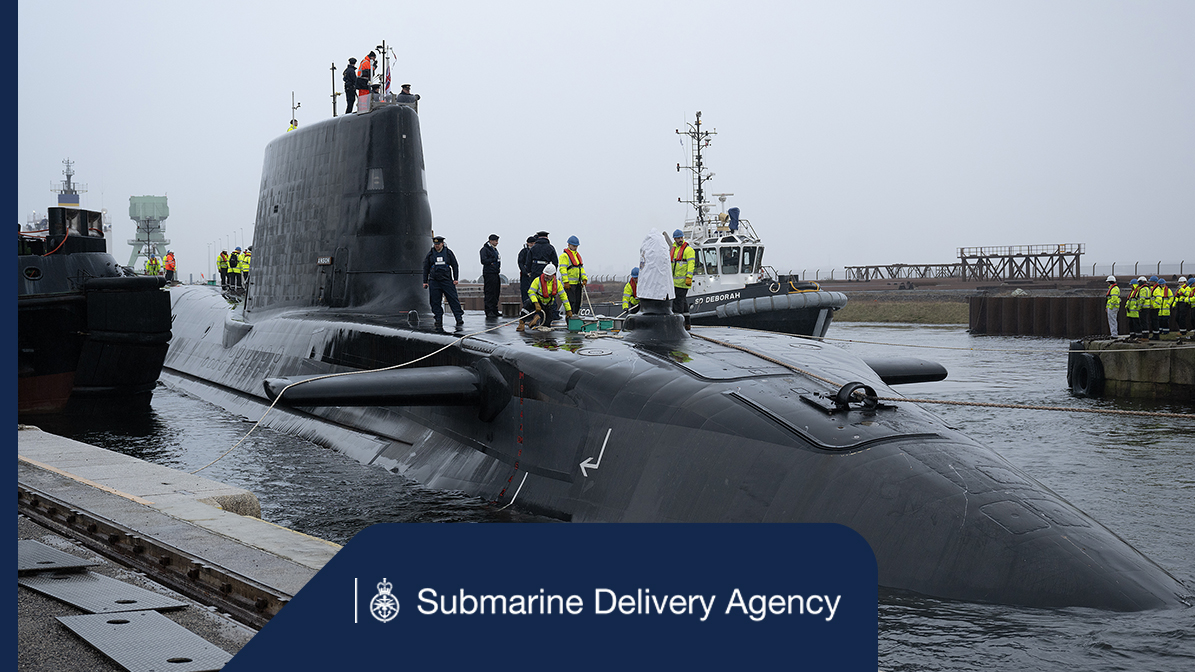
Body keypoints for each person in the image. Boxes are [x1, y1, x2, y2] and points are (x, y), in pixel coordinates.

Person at [422, 235, 464, 327]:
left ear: (442, 243)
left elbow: (455, 265)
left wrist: (456, 278)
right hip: (434, 281)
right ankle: (438, 318)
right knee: (435, 301)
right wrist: (425, 281)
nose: (436, 245)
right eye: (435, 244)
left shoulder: (448, 253)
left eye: (438, 244)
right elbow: (426, 268)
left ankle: (458, 318)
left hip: (447, 281)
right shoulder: (430, 254)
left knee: (453, 299)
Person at [519, 263, 572, 332]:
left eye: (548, 275)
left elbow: (564, 298)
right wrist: (535, 303)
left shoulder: (558, 284)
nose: (546, 277)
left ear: (553, 275)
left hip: (548, 306)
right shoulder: (537, 281)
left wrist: (568, 310)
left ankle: (537, 319)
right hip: (537, 303)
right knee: (527, 303)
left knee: (546, 324)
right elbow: (531, 292)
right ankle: (521, 322)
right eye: (545, 275)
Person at [670, 229, 696, 330]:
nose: (680, 240)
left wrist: (689, 277)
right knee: (683, 303)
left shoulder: (688, 250)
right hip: (675, 282)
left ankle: (678, 324)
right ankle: (687, 323)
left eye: (681, 238)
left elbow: (691, 264)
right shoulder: (674, 250)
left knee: (678, 304)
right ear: (675, 239)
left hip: (683, 282)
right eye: (678, 238)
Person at [558, 235, 587, 313]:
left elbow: (581, 269)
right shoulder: (564, 256)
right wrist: (566, 282)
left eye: (576, 246)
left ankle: (575, 319)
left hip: (577, 284)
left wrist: (584, 279)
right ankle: (570, 321)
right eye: (574, 246)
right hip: (570, 285)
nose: (575, 248)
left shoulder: (577, 256)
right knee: (571, 303)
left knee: (577, 303)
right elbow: (563, 270)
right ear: (569, 245)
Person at [479, 234, 501, 318]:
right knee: (490, 292)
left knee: (496, 292)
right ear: (490, 241)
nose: (497, 243)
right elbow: (483, 260)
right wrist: (492, 260)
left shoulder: (494, 250)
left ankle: (494, 310)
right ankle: (489, 310)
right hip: (489, 273)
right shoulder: (485, 249)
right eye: (495, 241)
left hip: (495, 272)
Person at [517, 235, 537, 313]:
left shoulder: (536, 251)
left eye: (533, 243)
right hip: (525, 276)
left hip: (533, 275)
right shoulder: (523, 252)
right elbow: (520, 263)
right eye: (531, 243)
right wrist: (526, 272)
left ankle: (533, 310)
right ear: (527, 243)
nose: (532, 244)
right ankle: (526, 311)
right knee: (525, 293)